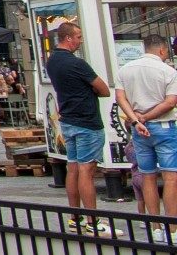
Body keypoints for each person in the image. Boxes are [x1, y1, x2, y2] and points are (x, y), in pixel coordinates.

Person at [45, 22, 112, 233]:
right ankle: (93, 221)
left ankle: (75, 217)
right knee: (86, 170)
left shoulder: (52, 61)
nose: (80, 41)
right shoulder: (77, 64)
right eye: (79, 37)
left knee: (73, 167)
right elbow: (104, 90)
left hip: (68, 120)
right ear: (68, 38)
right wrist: (92, 91)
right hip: (86, 121)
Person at [118, 33, 177, 217]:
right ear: (162, 50)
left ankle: (155, 225)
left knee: (148, 176)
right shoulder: (168, 72)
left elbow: (120, 98)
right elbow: (170, 102)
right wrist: (146, 117)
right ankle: (172, 227)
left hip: (138, 130)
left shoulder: (125, 70)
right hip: (164, 126)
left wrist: (136, 120)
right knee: (170, 178)